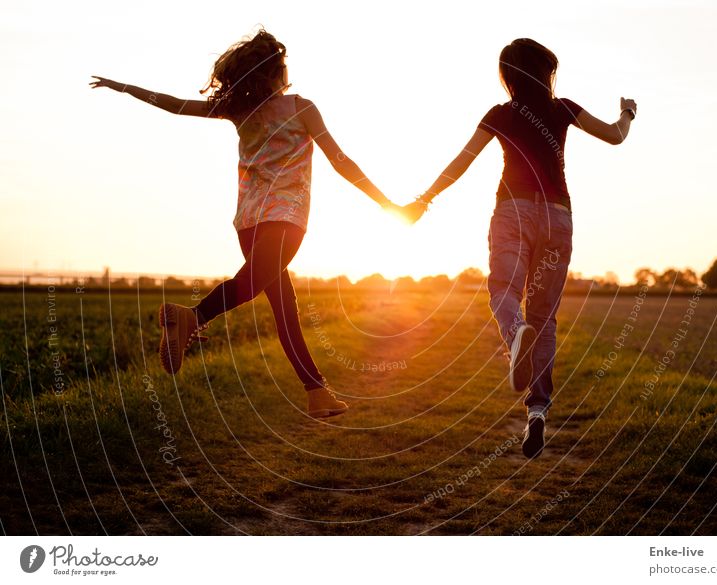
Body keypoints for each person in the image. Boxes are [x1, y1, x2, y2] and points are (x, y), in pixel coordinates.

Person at [90, 28, 401, 418]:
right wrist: (387, 204)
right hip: (285, 219)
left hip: (248, 223)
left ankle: (317, 392)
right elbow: (340, 161)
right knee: (253, 286)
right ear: (274, 72)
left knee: (284, 308)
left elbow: (174, 105)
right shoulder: (300, 107)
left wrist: (122, 87)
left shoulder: (238, 110)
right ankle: (193, 316)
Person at [403, 38, 637, 457]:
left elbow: (462, 160)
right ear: (547, 72)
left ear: (508, 76)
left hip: (513, 212)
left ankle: (514, 336)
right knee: (544, 319)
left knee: (503, 292)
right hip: (557, 217)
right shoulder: (562, 108)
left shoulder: (501, 114)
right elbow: (617, 137)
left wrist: (424, 199)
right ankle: (537, 413)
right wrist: (628, 111)